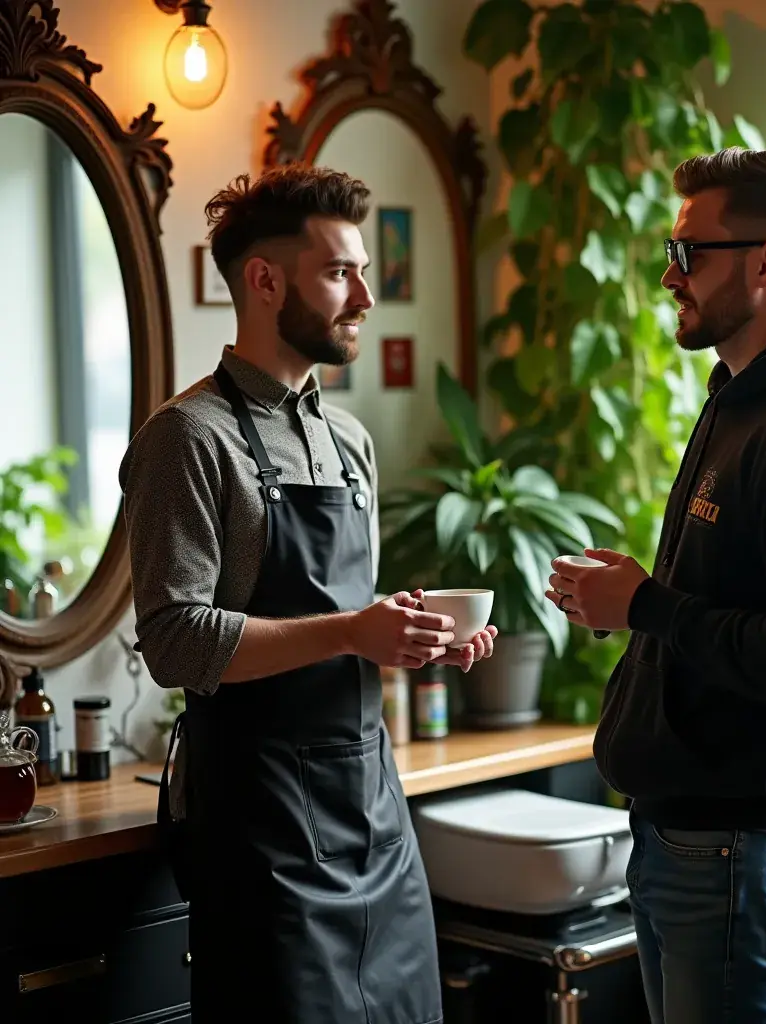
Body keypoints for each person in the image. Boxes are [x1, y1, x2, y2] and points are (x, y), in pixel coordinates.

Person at [120, 165, 496, 1023]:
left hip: (374, 812)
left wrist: (417, 635)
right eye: (339, 272)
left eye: (362, 270)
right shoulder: (186, 439)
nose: (365, 295)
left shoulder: (348, 438)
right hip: (264, 834)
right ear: (263, 280)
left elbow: (349, 623)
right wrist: (351, 633)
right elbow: (176, 639)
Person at [545, 148, 766, 1023]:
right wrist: (629, 604)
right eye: (672, 250)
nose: (672, 276)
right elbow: (727, 608)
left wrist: (648, 607)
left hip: (742, 851)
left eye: (690, 253)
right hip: (688, 840)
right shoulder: (738, 400)